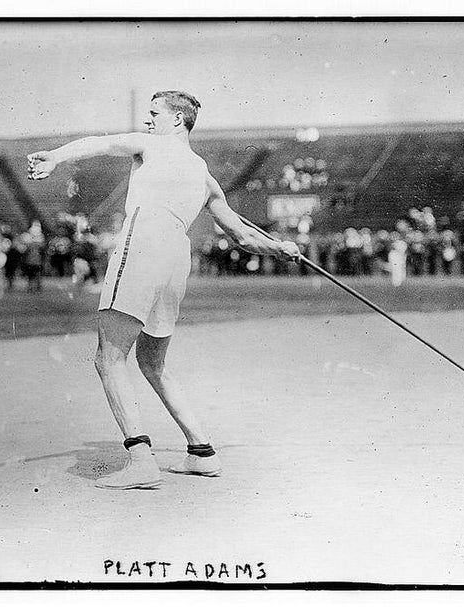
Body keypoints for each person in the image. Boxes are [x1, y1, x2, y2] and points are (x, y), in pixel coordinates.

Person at [27, 90, 300, 490]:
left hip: (143, 242)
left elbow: (98, 144)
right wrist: (279, 248)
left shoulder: (150, 145)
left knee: (109, 357)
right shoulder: (205, 175)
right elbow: (241, 236)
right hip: (177, 255)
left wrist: (54, 156)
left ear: (177, 120)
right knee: (152, 362)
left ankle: (141, 460)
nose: (148, 120)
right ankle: (201, 451)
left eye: (155, 113)